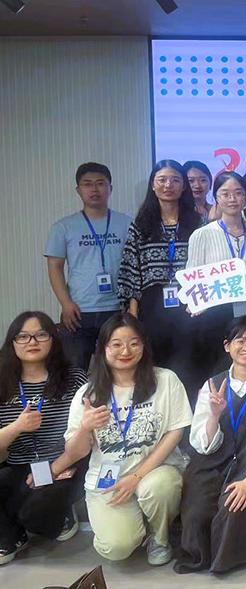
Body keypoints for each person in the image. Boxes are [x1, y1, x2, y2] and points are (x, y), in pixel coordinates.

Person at [52, 313, 193, 565]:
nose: (125, 351)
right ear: (103, 348)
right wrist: (85, 428)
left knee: (159, 487)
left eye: (134, 343)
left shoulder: (165, 380)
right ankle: (136, 525)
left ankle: (159, 537)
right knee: (116, 548)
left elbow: (175, 433)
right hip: (109, 480)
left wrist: (137, 477)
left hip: (155, 471)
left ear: (144, 346)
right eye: (116, 344)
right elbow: (76, 452)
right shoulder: (88, 393)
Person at [175, 315, 246, 574]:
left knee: (233, 508)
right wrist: (214, 416)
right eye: (240, 340)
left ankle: (226, 559)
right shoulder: (213, 384)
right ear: (227, 346)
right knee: (196, 511)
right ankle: (200, 557)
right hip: (215, 462)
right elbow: (203, 445)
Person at [0, 312, 88, 565]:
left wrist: (55, 468)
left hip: (66, 463)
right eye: (23, 336)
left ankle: (60, 517)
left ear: (53, 339)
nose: (32, 342)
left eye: (40, 335)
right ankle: (10, 535)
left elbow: (90, 432)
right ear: (12, 342)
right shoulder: (2, 383)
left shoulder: (74, 379)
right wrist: (17, 427)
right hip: (19, 463)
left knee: (34, 512)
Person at [117, 160, 201, 387]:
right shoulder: (141, 225)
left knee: (189, 365)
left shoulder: (197, 223)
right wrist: (133, 312)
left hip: (189, 303)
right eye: (162, 180)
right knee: (154, 367)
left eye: (175, 180)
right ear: (153, 186)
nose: (168, 185)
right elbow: (131, 268)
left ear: (183, 186)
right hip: (152, 304)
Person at [186, 171, 246, 395]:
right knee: (214, 372)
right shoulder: (201, 235)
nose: (232, 199)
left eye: (238, 193)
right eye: (225, 194)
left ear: (245, 197)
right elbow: (193, 277)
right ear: (216, 197)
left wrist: (241, 280)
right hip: (213, 315)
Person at [45, 162, 134, 370]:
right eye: (87, 184)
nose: (94, 189)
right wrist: (65, 303)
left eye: (100, 183)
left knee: (119, 367)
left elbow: (135, 266)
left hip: (117, 308)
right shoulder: (63, 227)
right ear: (78, 190)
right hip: (78, 311)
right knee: (75, 369)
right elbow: (55, 267)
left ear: (110, 188)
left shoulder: (128, 224)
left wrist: (131, 304)